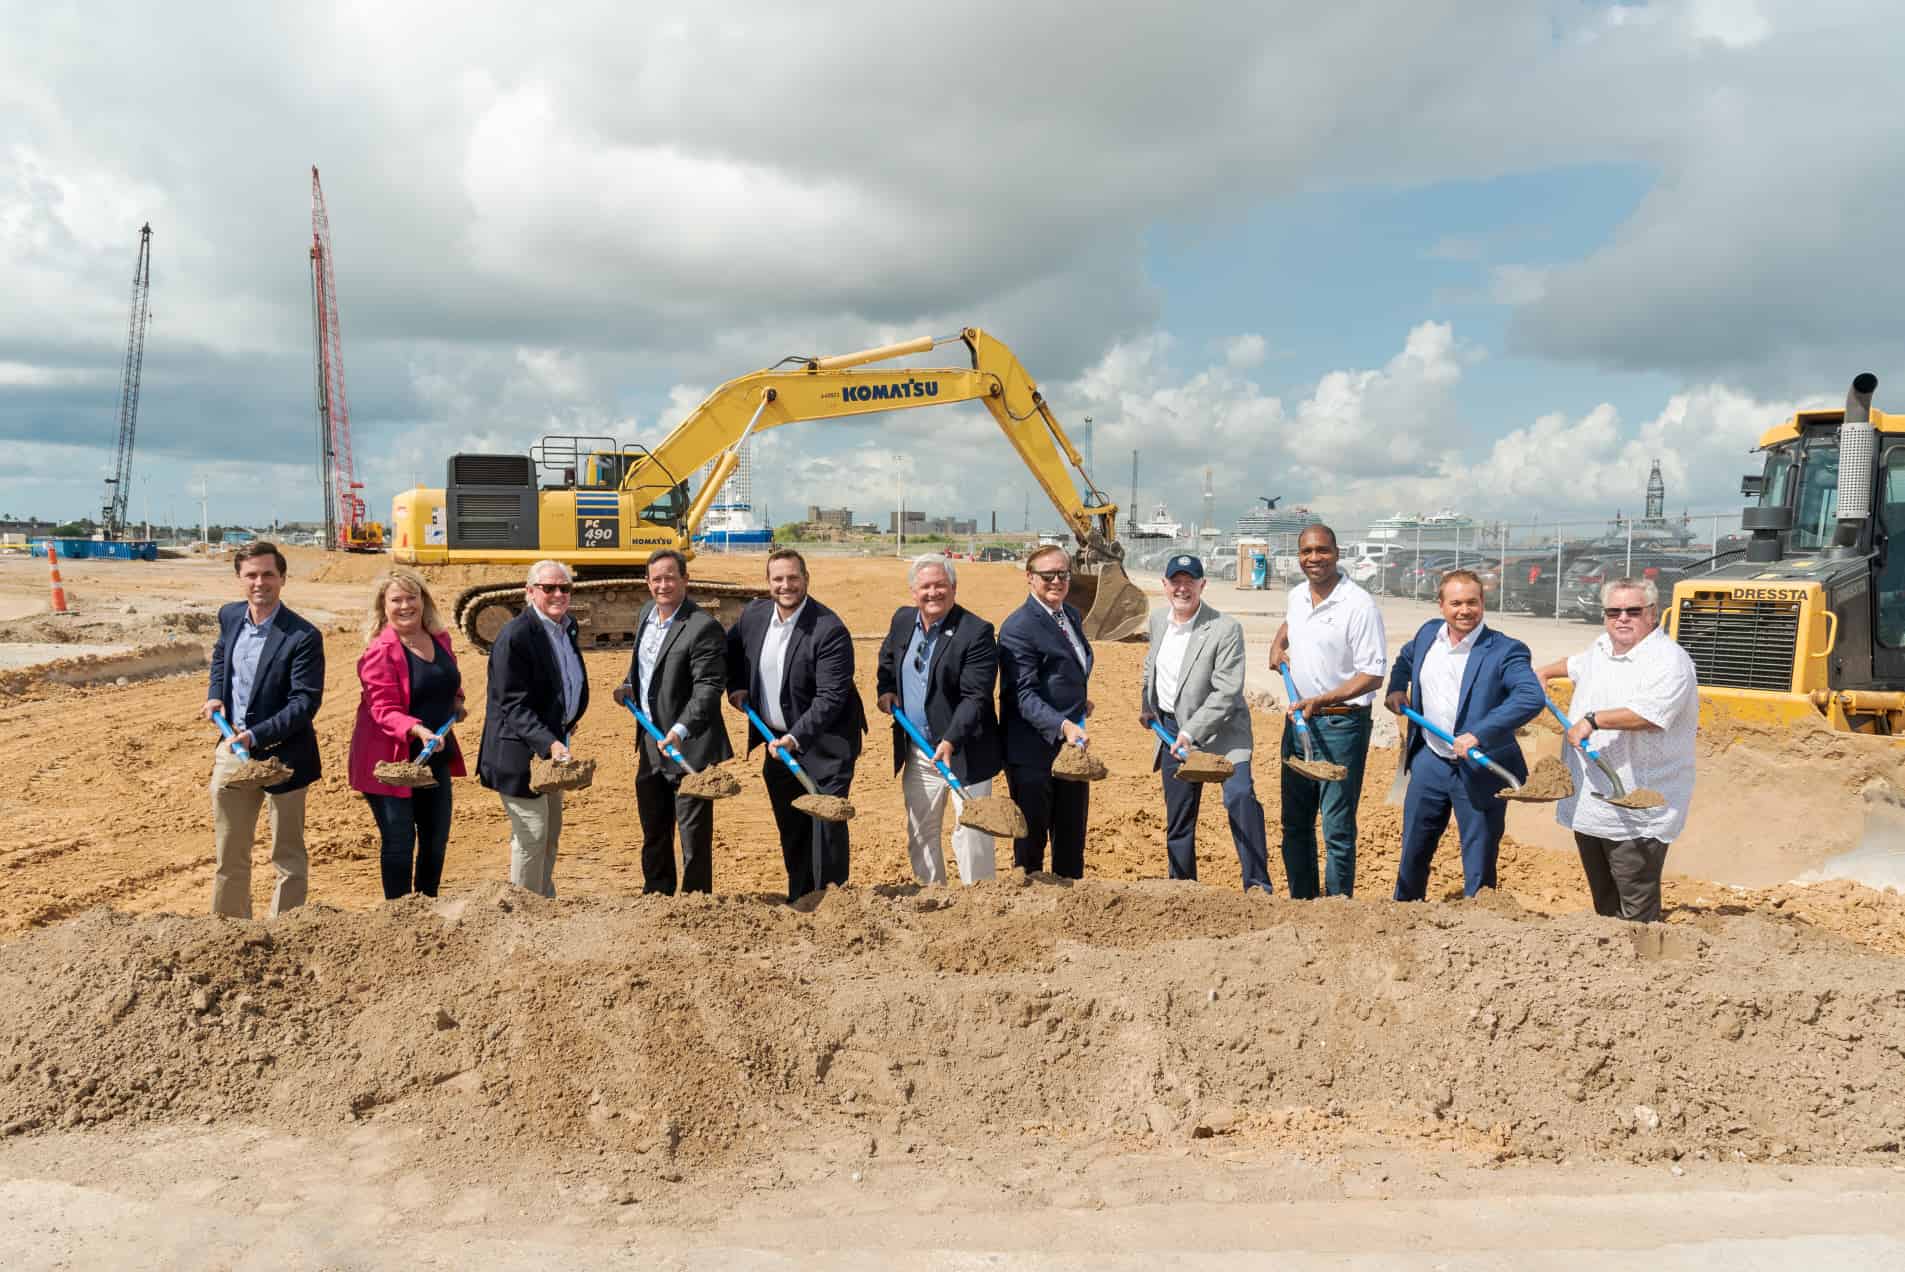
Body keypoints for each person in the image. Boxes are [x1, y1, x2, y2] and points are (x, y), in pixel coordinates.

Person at [1535, 577, 1698, 924]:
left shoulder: (1668, 660)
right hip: (1592, 802)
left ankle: (1643, 963)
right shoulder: (1602, 648)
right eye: (1613, 612)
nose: (1622, 618)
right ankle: (1612, 959)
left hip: (1638, 804)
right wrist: (1545, 671)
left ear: (1652, 614)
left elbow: (1650, 716)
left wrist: (1593, 721)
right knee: (1605, 900)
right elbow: (1576, 664)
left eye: (1633, 611)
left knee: (1635, 903)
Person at [1384, 568, 1542, 901]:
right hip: (1431, 759)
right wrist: (1397, 687)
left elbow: (1530, 696)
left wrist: (1479, 734)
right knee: (1414, 846)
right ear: (1440, 605)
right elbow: (1405, 658)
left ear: (1483, 602)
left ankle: (1479, 922)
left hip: (1481, 768)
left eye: (1472, 602)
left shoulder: (1505, 650)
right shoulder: (1429, 635)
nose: (1464, 610)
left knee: (1479, 855)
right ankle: (1404, 912)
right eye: (1456, 603)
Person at [726, 548, 866, 901]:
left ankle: (831, 901)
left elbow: (831, 697)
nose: (785, 585)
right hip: (776, 743)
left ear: (806, 579)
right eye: (778, 579)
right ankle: (800, 897)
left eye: (793, 578)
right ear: (768, 583)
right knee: (793, 827)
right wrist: (737, 686)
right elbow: (732, 652)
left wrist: (795, 737)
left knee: (826, 828)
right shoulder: (754, 616)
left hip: (825, 746)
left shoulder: (828, 629)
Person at [200, 541, 325, 919]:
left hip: (283, 756)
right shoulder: (230, 616)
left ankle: (285, 931)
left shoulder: (302, 636)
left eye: (268, 574)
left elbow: (304, 702)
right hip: (232, 754)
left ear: (283, 578)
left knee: (287, 855)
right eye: (251, 575)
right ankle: (230, 931)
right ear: (240, 579)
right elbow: (222, 656)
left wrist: (256, 736)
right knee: (229, 853)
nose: (260, 582)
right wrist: (214, 695)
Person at [1266, 524, 1385, 898]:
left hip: (1341, 725)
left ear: (1337, 552)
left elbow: (1373, 675)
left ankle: (1336, 908)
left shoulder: (1359, 605)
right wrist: (1277, 644)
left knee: (1336, 827)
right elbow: (1292, 623)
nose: (1313, 559)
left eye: (1322, 551)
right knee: (1295, 823)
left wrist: (1324, 700)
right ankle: (1302, 902)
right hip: (1300, 722)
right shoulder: (1299, 595)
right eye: (1306, 552)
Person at [1140, 553, 1270, 892]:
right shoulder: (1157, 621)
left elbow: (1227, 692)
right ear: (1165, 585)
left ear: (1202, 585)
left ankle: (1258, 886)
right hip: (1171, 732)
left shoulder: (1225, 628)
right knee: (1179, 815)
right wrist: (1147, 702)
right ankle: (1182, 888)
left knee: (1240, 797)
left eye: (1190, 581)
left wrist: (1191, 731)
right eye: (1176, 581)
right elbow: (1150, 665)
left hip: (1223, 732)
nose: (1182, 588)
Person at [875, 554, 1004, 886]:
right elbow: (889, 658)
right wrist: (886, 689)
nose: (933, 593)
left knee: (972, 832)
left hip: (964, 751)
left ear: (954, 588)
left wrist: (950, 739)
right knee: (921, 830)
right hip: (918, 749)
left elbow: (976, 696)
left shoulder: (976, 632)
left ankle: (979, 900)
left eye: (940, 586)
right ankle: (934, 895)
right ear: (913, 591)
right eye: (925, 587)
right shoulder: (903, 620)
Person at [612, 549, 731, 895]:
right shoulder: (646, 614)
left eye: (670, 578)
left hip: (688, 747)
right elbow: (646, 666)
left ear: (685, 580)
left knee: (692, 836)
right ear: (647, 583)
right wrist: (628, 686)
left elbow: (708, 688)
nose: (663, 585)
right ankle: (657, 895)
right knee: (654, 829)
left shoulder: (702, 627)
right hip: (651, 742)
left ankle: (695, 903)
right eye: (656, 579)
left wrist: (680, 731)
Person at [348, 569, 467, 899]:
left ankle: (427, 907)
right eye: (396, 600)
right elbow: (382, 709)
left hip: (433, 756)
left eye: (411, 597)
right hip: (391, 760)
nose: (405, 606)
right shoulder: (379, 652)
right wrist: (417, 729)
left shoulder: (439, 638)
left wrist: (457, 701)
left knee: (435, 839)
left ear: (423, 601)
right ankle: (398, 916)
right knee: (400, 841)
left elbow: (447, 681)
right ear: (383, 607)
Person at [476, 560, 590, 898]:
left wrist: (567, 719)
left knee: (550, 832)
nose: (558, 594)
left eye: (564, 588)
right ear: (529, 592)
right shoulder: (516, 635)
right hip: (520, 752)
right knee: (533, 832)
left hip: (552, 751)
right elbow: (512, 704)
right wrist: (550, 742)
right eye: (548, 587)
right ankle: (524, 916)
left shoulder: (565, 628)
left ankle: (543, 902)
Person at [997, 544, 1094, 878]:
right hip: (1032, 753)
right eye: (1048, 575)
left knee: (1070, 839)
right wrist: (1064, 724)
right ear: (1029, 578)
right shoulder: (1018, 627)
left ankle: (1071, 911)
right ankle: (1029, 917)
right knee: (1032, 842)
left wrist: (1078, 702)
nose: (1056, 581)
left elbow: (1064, 671)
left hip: (1070, 749)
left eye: (1063, 574)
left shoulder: (1072, 616)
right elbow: (1022, 693)